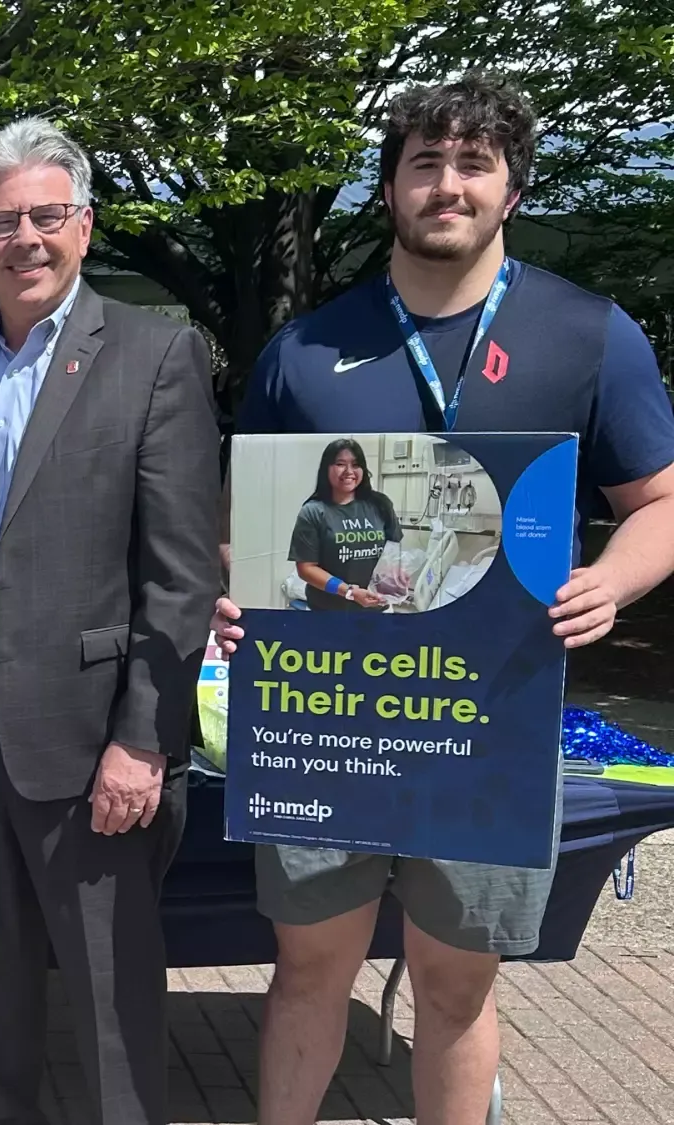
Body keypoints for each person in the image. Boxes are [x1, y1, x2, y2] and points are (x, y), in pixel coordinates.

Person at [211, 74, 674, 1125]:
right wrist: (227, 592)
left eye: (472, 164)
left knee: (456, 989)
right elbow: (240, 522)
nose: (446, 184)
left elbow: (659, 502)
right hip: (325, 726)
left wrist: (612, 578)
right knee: (305, 973)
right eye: (423, 163)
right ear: (388, 189)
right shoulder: (305, 349)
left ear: (509, 189)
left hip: (485, 724)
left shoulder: (587, 335)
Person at [0, 118, 220, 1125]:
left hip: (89, 742)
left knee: (108, 993)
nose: (24, 239)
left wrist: (142, 741)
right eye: (2, 220)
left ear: (83, 226)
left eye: (46, 215)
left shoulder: (151, 353)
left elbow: (176, 576)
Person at [291, 438, 402, 612]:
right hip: (328, 613)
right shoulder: (313, 511)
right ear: (326, 469)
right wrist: (348, 592)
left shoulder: (380, 504)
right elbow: (306, 568)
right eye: (340, 464)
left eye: (356, 465)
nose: (349, 471)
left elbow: (393, 550)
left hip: (378, 610)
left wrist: (396, 574)